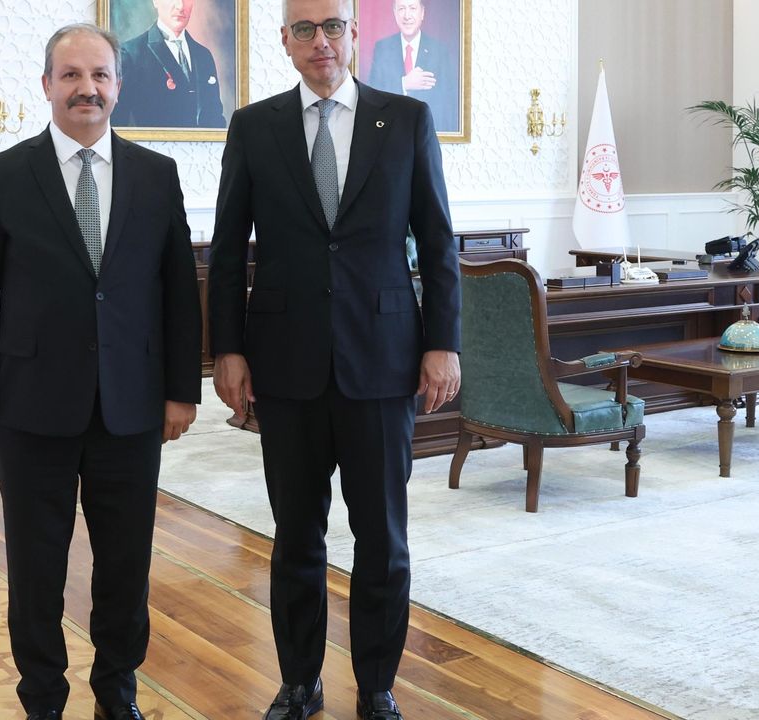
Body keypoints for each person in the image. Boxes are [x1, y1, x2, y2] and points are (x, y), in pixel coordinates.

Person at [206, 0, 461, 717]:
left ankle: (376, 686)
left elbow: (437, 242)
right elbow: (226, 252)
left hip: (382, 361)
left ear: (353, 35)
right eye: (304, 29)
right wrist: (227, 349)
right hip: (285, 364)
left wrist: (443, 343)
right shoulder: (254, 127)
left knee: (382, 537)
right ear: (285, 42)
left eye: (333, 27)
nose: (320, 41)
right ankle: (300, 682)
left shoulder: (405, 121)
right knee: (296, 536)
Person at [0, 23, 201, 720]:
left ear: (118, 85)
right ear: (46, 86)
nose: (85, 88)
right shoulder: (5, 175)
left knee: (125, 566)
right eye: (70, 75)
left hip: (132, 408)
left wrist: (182, 390)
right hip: (31, 408)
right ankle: (43, 700)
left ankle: (117, 695)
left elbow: (179, 292)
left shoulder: (156, 175)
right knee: (37, 570)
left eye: (98, 75)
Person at [115, 0, 227, 128]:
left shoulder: (204, 55)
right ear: (155, 2)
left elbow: (216, 119)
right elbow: (118, 123)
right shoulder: (131, 54)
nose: (180, 6)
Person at [366, 0, 459, 132]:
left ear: (422, 13)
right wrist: (404, 84)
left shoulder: (439, 51)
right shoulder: (382, 48)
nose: (407, 15)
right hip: (390, 131)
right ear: (395, 13)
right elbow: (372, 94)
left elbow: (448, 101)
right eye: (401, 9)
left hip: (427, 131)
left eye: (412, 8)